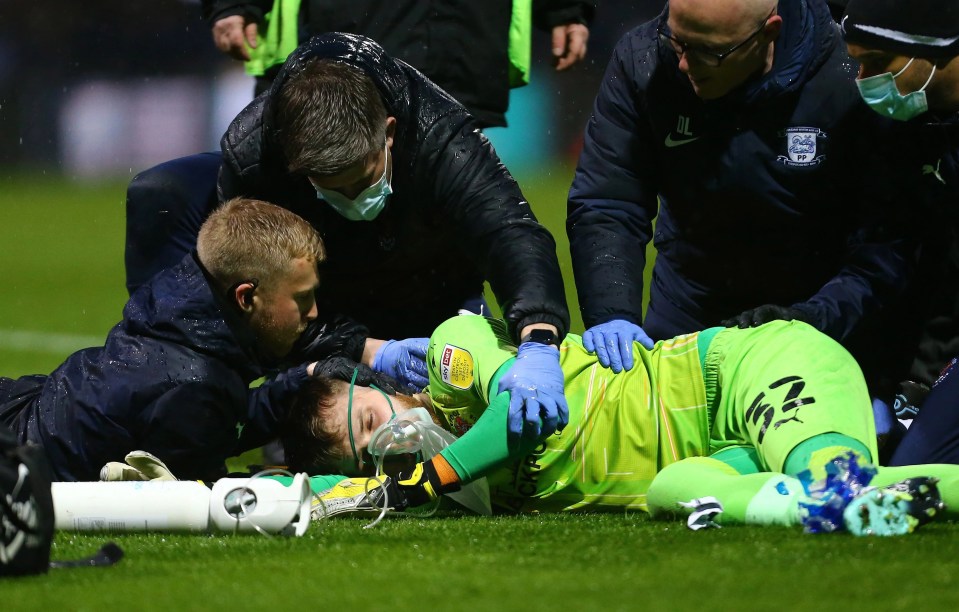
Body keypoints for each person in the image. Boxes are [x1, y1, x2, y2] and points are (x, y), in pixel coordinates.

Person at [564, 0, 920, 421]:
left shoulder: (849, 76)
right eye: (676, 41)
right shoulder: (641, 60)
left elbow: (887, 239)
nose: (683, 64)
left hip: (822, 325)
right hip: (688, 315)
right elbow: (609, 199)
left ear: (769, 32)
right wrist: (613, 313)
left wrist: (813, 323)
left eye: (707, 51)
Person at [281, 315, 959, 535]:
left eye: (374, 418)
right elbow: (305, 490)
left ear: (388, 388)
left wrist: (425, 480)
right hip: (723, 452)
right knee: (675, 494)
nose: (393, 441)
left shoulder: (452, 353)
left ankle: (832, 482)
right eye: (375, 452)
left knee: (836, 490)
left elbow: (519, 418)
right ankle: (810, 492)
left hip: (744, 371)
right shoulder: (466, 498)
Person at [212, 32, 571, 448]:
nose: (351, 201)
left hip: (437, 288)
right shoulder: (252, 161)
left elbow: (508, 230)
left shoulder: (441, 136)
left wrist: (539, 339)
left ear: (390, 133)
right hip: (322, 314)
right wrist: (363, 350)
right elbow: (262, 306)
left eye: (362, 181)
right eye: (331, 188)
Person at [0, 198, 328, 482]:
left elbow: (227, 419)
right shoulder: (195, 385)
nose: (313, 312)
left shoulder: (185, 302)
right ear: (245, 298)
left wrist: (304, 380)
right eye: (301, 298)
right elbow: (215, 500)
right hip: (15, 456)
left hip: (20, 413)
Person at [839, 0, 959, 466]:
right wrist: (900, 385)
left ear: (934, 48)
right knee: (905, 466)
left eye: (877, 62)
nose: (863, 79)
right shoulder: (906, 130)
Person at [200, 0, 595, 126]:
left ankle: (456, 311)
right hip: (339, 45)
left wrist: (564, 7)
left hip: (460, 45)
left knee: (449, 220)